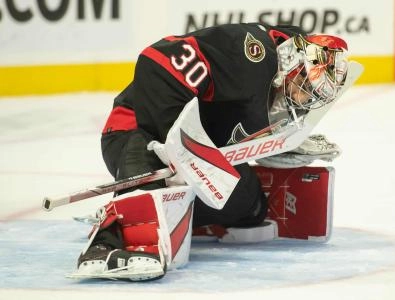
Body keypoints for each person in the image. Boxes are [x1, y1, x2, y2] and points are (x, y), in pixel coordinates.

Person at [75, 22, 349, 281]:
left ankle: (176, 212)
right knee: (152, 146)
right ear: (292, 62)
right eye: (304, 88)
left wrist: (279, 143)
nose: (305, 99)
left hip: (196, 154)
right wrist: (178, 142)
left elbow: (234, 124)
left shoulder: (287, 75)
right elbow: (155, 60)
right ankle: (108, 238)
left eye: (312, 95)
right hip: (133, 132)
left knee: (248, 203)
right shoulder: (249, 54)